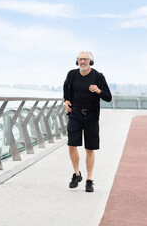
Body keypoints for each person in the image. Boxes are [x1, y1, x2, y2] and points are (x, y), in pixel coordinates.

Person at [63, 51, 112, 192]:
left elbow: (108, 97)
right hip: (75, 114)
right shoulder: (71, 74)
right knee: (72, 145)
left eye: (85, 59)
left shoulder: (98, 76)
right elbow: (66, 88)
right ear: (77, 61)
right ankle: (77, 174)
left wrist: (98, 91)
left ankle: (89, 180)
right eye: (80, 59)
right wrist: (66, 100)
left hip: (91, 116)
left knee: (89, 149)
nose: (83, 61)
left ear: (91, 61)